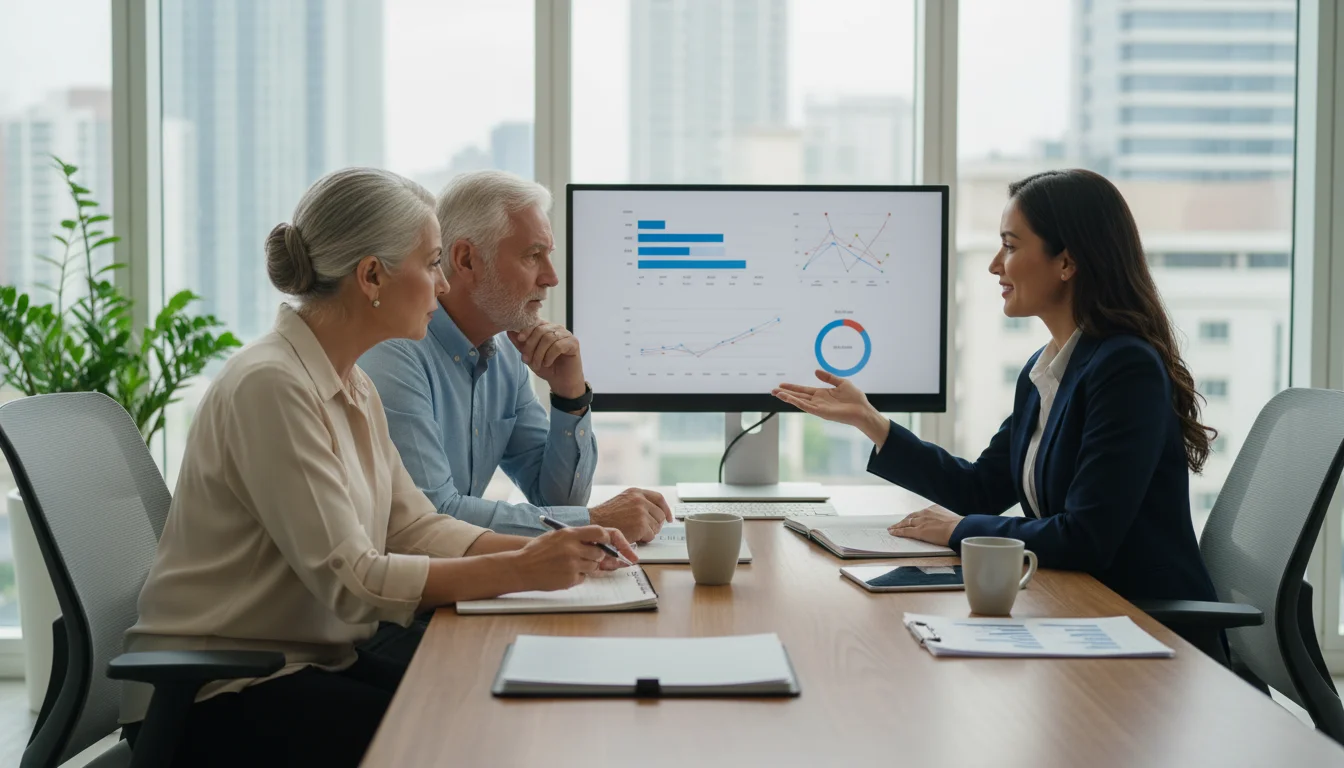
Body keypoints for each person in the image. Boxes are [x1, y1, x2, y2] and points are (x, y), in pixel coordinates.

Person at [120, 167, 637, 767]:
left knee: (494, 706)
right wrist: (522, 567)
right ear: (372, 277)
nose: (444, 285)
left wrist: (564, 552)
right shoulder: (273, 386)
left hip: (308, 664)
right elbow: (353, 581)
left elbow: (416, 527)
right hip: (224, 692)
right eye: (433, 264)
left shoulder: (351, 382)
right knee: (469, 742)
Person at [773, 169, 1220, 651]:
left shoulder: (1124, 367)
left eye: (1009, 246)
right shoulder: (1048, 368)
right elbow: (979, 488)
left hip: (1146, 633)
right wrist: (871, 421)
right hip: (1079, 613)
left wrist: (959, 531)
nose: (994, 265)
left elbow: (1086, 536)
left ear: (1066, 262)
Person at [358, 170, 672, 543]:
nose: (551, 278)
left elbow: (558, 499)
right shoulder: (394, 354)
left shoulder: (505, 353)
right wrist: (594, 519)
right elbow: (434, 518)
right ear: (466, 260)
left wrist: (570, 395)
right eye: (533, 256)